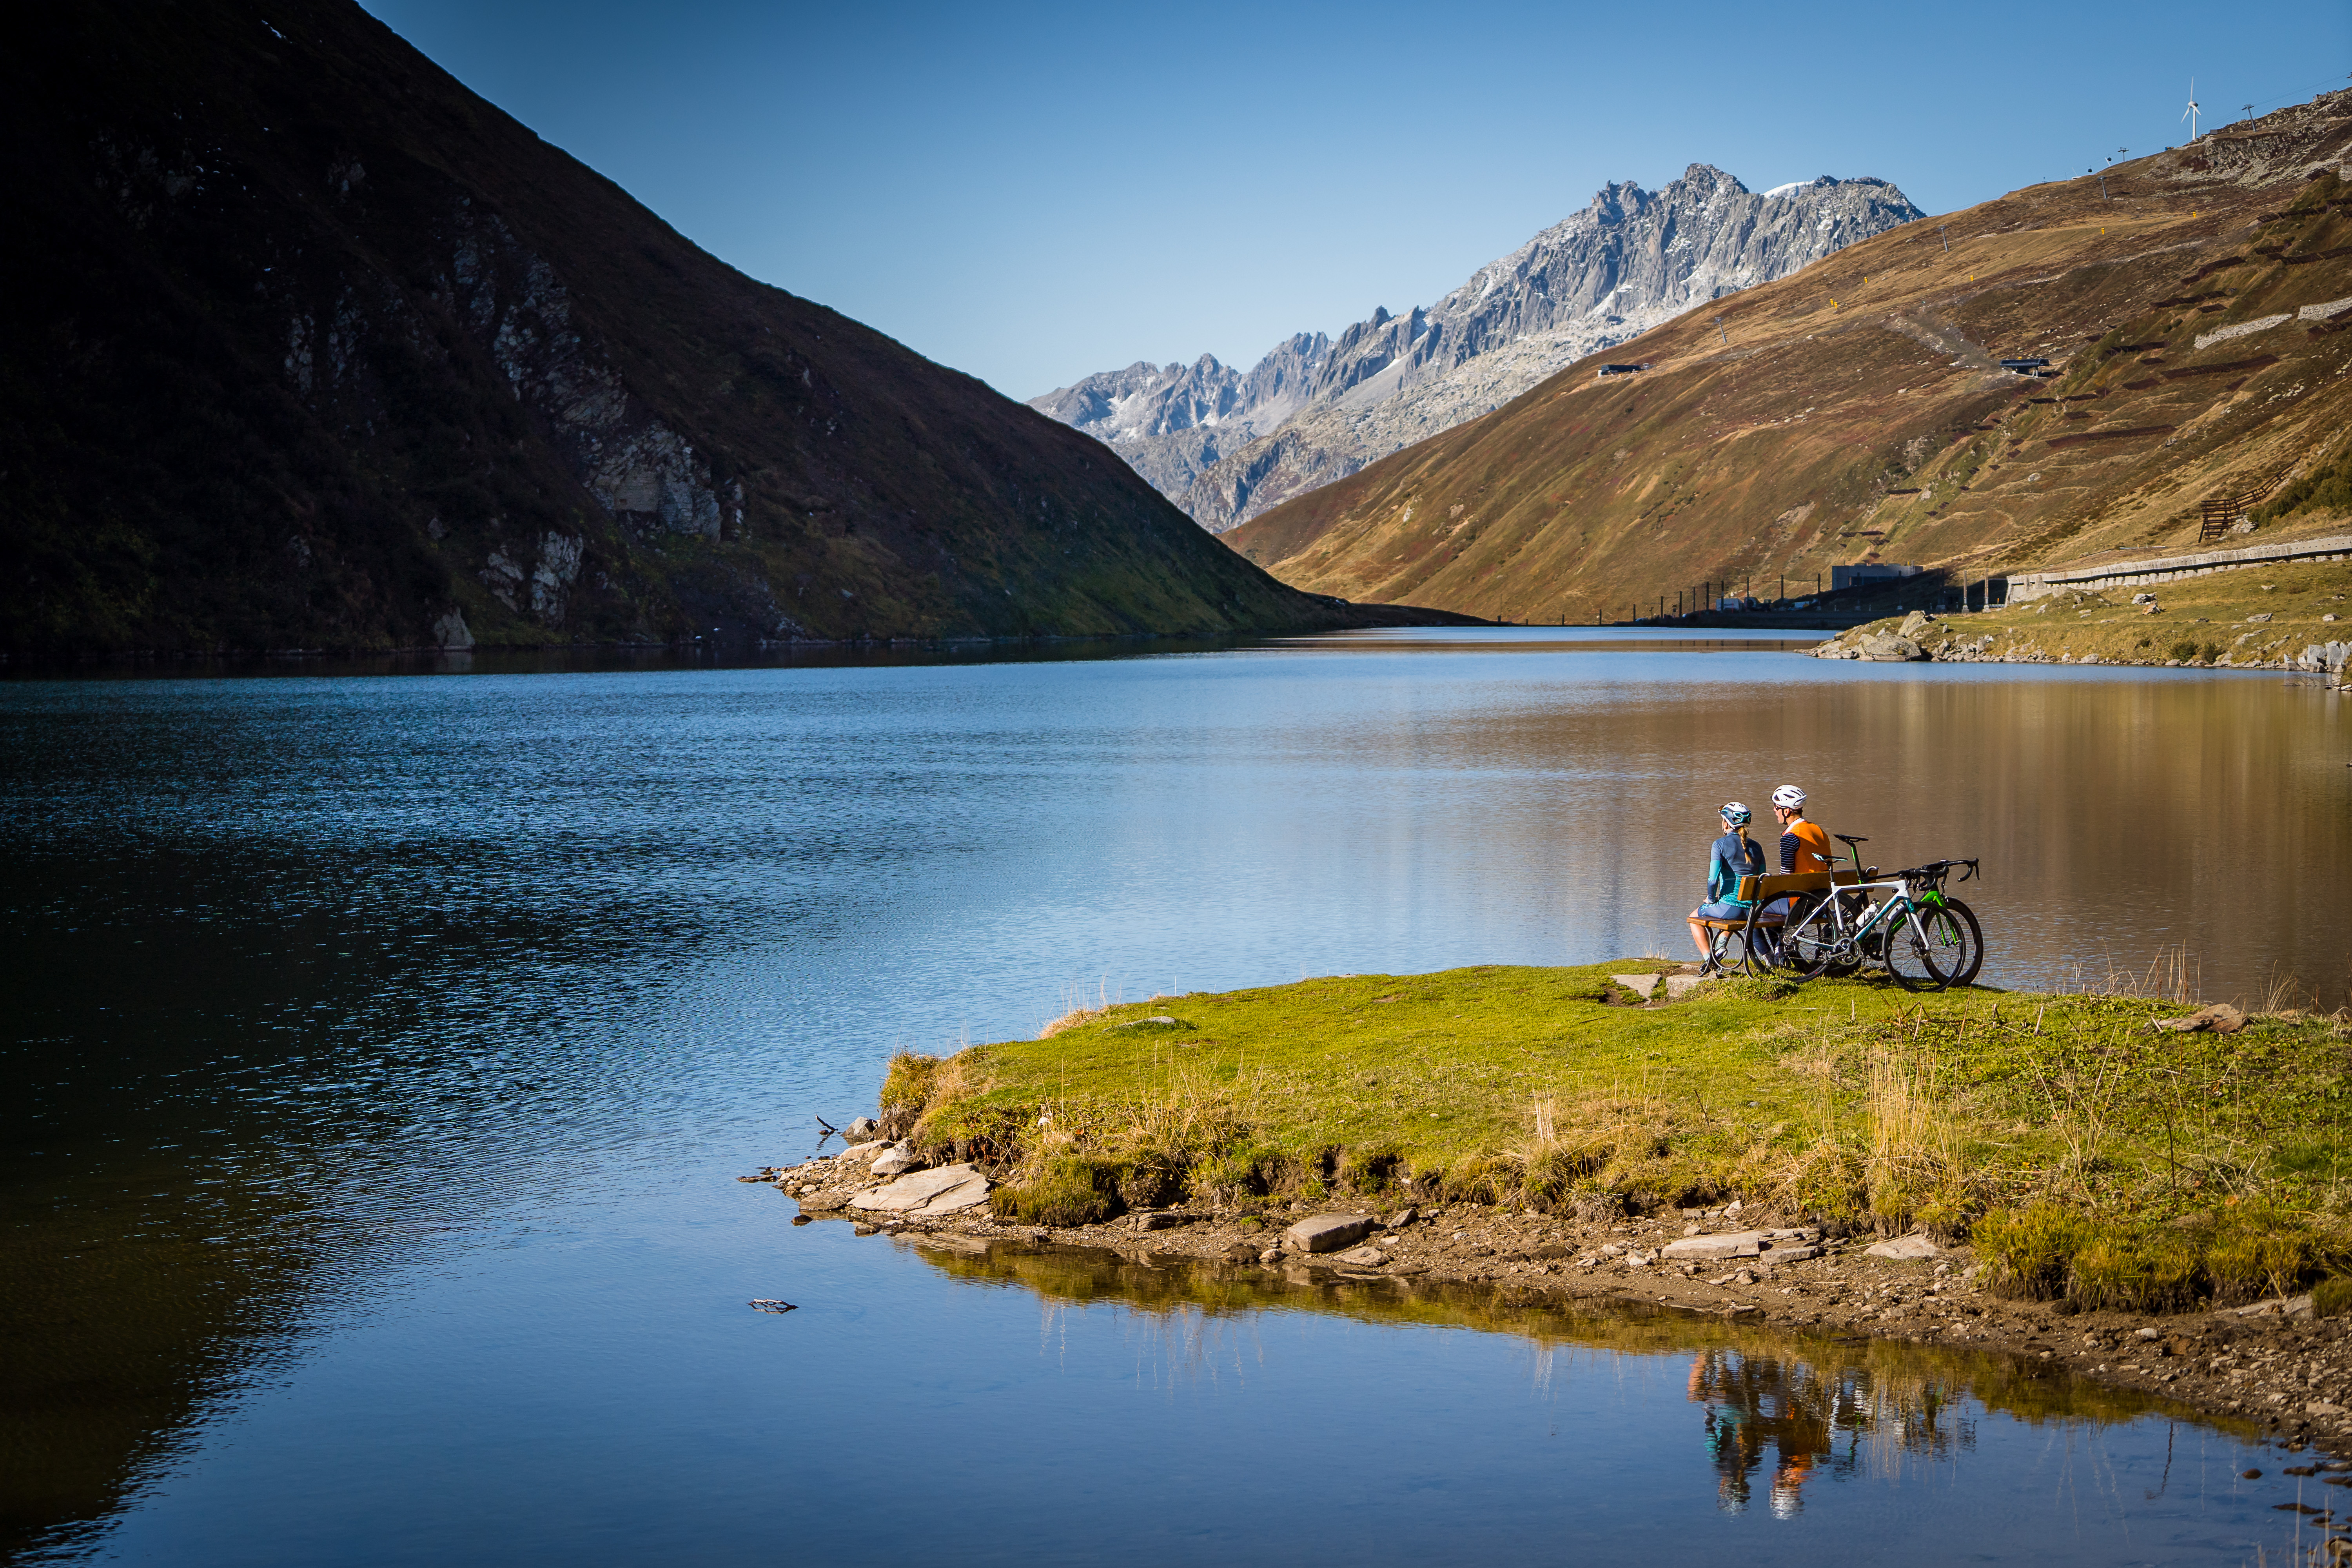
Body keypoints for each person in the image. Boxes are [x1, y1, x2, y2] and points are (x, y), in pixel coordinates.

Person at [1688, 802, 1766, 957]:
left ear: (1726, 823)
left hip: (1730, 909)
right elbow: (1762, 878)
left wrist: (1711, 899)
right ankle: (1722, 946)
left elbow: (1712, 880)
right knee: (1727, 909)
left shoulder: (1719, 844)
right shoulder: (1757, 847)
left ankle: (1708, 959)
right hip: (1752, 910)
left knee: (1693, 918)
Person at [1771, 784, 1833, 875]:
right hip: (1826, 886)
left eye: (1777, 807)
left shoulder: (1790, 838)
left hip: (1803, 888)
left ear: (1786, 811)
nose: (1774, 810)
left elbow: (1785, 876)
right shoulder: (1818, 830)